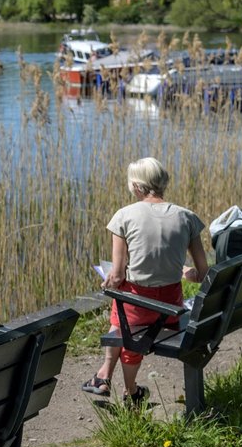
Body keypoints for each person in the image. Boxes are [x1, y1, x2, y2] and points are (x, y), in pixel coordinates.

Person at [81, 157, 209, 407]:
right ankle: (108, 378)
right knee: (128, 318)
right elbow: (202, 272)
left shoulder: (124, 216)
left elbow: (117, 276)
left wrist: (108, 281)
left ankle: (125, 387)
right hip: (171, 308)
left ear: (137, 187)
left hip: (137, 308)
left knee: (123, 315)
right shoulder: (187, 217)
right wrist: (184, 271)